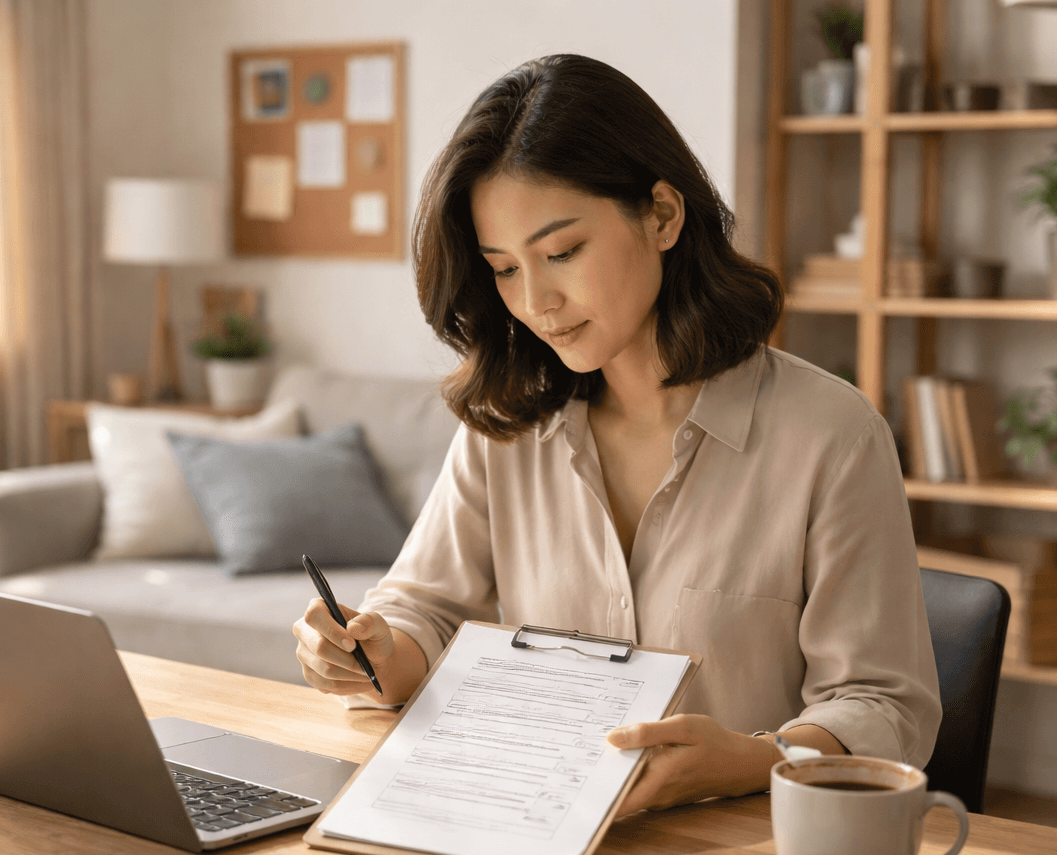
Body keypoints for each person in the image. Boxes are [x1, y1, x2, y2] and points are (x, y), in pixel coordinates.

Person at [292, 54, 940, 816]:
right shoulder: (507, 425)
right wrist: (370, 652)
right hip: (527, 829)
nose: (536, 301)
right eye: (504, 269)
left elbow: (884, 704)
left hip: (749, 853)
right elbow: (422, 608)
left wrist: (756, 760)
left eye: (562, 253)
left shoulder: (832, 435)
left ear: (663, 215)